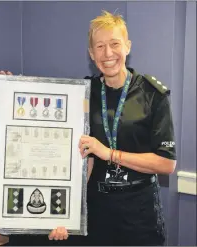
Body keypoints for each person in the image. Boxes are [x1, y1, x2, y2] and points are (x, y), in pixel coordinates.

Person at [75, 10, 177, 245]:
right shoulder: (84, 94)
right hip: (97, 208)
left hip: (139, 211)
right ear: (91, 54)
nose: (108, 53)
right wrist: (9, 87)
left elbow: (166, 163)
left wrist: (109, 154)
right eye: (99, 46)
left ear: (127, 46)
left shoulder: (153, 95)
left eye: (114, 44)